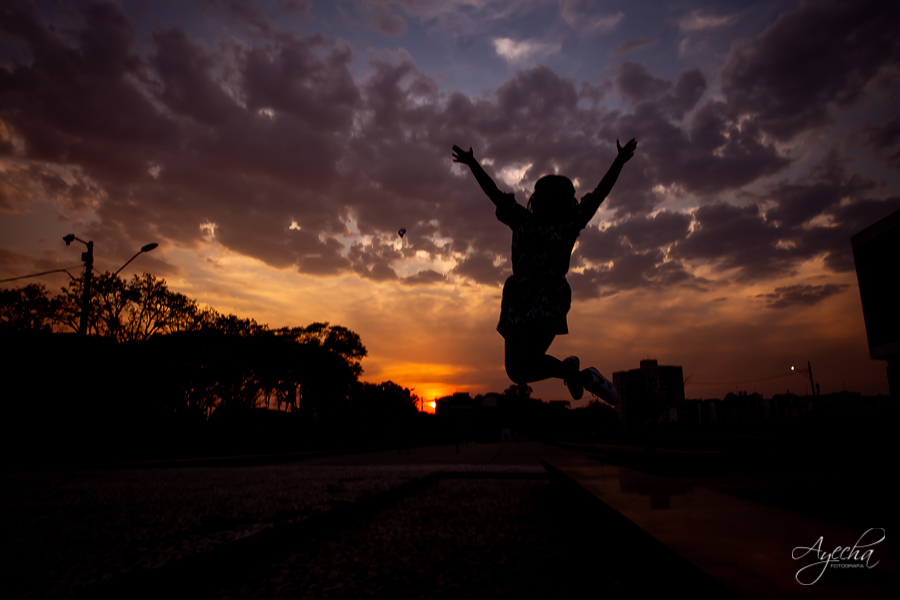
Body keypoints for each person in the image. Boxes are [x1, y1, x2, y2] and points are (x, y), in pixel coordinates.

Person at [451, 139, 637, 402]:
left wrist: (618, 161)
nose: (545, 197)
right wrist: (472, 163)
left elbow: (599, 193)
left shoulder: (571, 222)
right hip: (517, 295)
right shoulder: (521, 219)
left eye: (552, 193)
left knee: (529, 359)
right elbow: (492, 191)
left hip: (548, 295)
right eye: (542, 192)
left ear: (564, 200)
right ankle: (571, 370)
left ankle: (586, 378)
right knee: (516, 372)